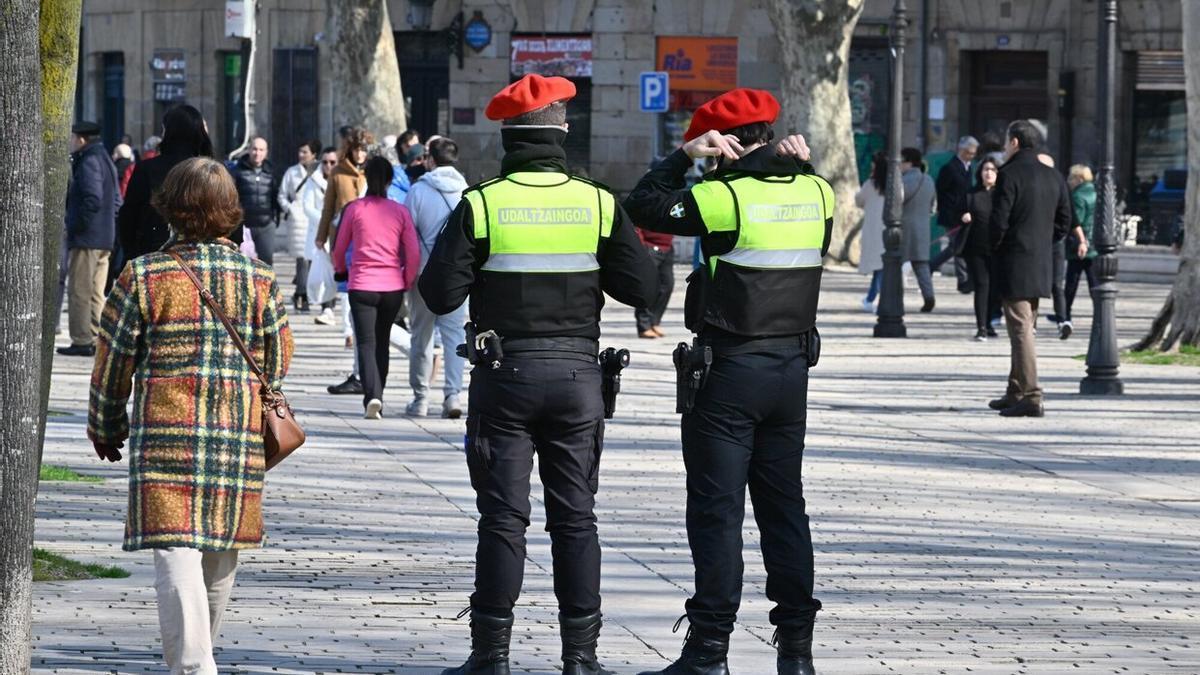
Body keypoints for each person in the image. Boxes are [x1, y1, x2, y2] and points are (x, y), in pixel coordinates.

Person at [420, 74, 654, 675]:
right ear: (562, 133)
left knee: (503, 517)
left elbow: (439, 295)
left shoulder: (483, 202)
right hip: (579, 376)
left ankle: (490, 658)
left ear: (508, 137)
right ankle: (580, 658)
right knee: (575, 517)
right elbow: (641, 287)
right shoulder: (598, 201)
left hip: (506, 376)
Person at [623, 87, 829, 675]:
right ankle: (797, 652)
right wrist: (798, 164)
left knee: (717, 510)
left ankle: (709, 650)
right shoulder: (817, 190)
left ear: (724, 147)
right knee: (785, 508)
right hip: (790, 372)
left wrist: (682, 156)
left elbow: (642, 205)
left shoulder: (721, 196)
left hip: (730, 370)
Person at [88, 157, 293, 674]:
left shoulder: (143, 275)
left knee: (176, 550)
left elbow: (112, 364)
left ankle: (194, 665)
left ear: (171, 209)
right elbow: (278, 361)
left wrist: (107, 424)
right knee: (221, 551)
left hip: (167, 436)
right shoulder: (259, 279)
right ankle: (197, 660)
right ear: (230, 211)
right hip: (235, 434)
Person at [987, 120, 1072, 418]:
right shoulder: (1054, 176)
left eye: (1005, 141)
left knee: (1022, 329)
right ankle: (1015, 390)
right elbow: (1065, 220)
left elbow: (999, 221)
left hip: (1013, 261)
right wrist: (1042, 242)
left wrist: (995, 246)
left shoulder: (1008, 175)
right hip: (1040, 261)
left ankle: (1032, 394)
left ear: (1014, 143)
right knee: (1022, 326)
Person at [331, 156, 419, 419]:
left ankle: (373, 396)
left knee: (366, 343)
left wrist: (340, 270)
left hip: (362, 284)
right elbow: (412, 252)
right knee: (382, 343)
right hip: (392, 285)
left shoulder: (354, 209)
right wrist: (407, 278)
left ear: (365, 177)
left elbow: (339, 247)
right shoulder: (400, 212)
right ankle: (378, 393)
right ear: (391, 180)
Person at [404, 137, 469, 418]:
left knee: (421, 336)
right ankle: (452, 396)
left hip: (423, 275)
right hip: (455, 277)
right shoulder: (466, 191)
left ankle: (420, 399)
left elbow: (407, 235)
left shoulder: (418, 191)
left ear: (430, 159)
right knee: (455, 337)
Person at [118, 105, 229, 262]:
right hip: (205, 256)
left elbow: (128, 217)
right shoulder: (212, 170)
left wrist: (132, 254)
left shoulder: (148, 168)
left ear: (168, 132)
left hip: (154, 255)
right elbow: (229, 215)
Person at [58, 121, 121, 358]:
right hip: (104, 237)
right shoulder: (105, 159)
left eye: (73, 137)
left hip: (87, 239)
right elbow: (116, 201)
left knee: (80, 291)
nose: (71, 142)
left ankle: (82, 339)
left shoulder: (89, 162)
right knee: (96, 292)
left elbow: (92, 200)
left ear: (82, 140)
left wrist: (74, 227)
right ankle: (99, 336)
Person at [278, 139, 322, 312]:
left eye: (305, 152)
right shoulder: (291, 172)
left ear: (314, 154)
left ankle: (305, 290)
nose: (301, 155)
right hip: (298, 218)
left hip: (315, 217)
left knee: (312, 258)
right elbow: (282, 195)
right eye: (300, 151)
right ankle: (302, 293)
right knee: (302, 259)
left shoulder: (320, 171)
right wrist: (290, 209)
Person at [960, 157, 1001, 341]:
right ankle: (982, 327)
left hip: (999, 248)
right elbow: (957, 211)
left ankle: (990, 322)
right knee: (982, 286)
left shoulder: (1002, 194)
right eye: (985, 169)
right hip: (976, 248)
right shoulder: (972, 194)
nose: (989, 172)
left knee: (995, 288)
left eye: (992, 169)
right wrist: (964, 216)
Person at [931, 136, 978, 285]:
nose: (971, 156)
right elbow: (941, 190)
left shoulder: (968, 167)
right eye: (969, 152)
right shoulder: (949, 168)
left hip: (964, 213)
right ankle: (963, 279)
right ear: (961, 150)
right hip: (951, 214)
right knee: (957, 246)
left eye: (973, 153)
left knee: (955, 247)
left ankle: (930, 266)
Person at [230, 136, 281, 265]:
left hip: (266, 225)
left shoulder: (272, 171)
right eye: (254, 149)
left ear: (266, 152)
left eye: (261, 150)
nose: (257, 153)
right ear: (248, 150)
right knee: (242, 263)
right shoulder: (236, 171)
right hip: (244, 225)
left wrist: (276, 218)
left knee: (266, 262)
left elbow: (277, 196)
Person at [901, 147, 937, 312]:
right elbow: (933, 206)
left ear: (908, 162)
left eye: (901, 161)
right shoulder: (928, 180)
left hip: (904, 227)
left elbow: (897, 201)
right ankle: (929, 296)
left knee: (895, 264)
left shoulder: (903, 181)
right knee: (921, 265)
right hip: (923, 228)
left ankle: (895, 297)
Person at [1062, 164, 1096, 334]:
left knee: (1071, 283)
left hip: (1079, 246)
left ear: (1079, 179)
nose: (1068, 181)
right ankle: (1099, 315)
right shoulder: (1096, 193)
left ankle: (1065, 315)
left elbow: (1077, 221)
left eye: (1071, 178)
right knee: (1094, 284)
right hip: (1095, 246)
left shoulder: (1077, 196)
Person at [855, 152, 887, 313]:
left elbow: (859, 200)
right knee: (882, 267)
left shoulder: (870, 184)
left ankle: (873, 298)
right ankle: (871, 298)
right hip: (889, 229)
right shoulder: (895, 183)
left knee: (879, 267)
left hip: (873, 229)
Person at [634, 225, 675, 339]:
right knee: (648, 286)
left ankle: (654, 321)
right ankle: (644, 326)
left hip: (667, 247)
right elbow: (636, 224)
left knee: (667, 285)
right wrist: (642, 245)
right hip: (650, 247)